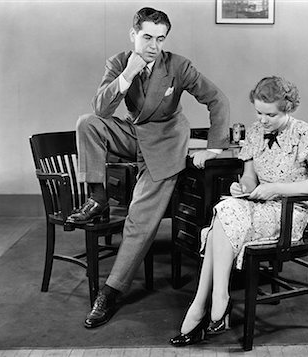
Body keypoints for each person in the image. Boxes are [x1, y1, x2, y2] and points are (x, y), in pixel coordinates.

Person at [67, 7, 230, 328]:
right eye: (146, 37)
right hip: (135, 133)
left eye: (160, 38)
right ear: (133, 35)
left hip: (167, 142)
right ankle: (97, 195)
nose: (153, 45)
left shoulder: (178, 66)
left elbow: (218, 99)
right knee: (87, 123)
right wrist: (127, 74)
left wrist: (214, 148)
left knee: (139, 221)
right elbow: (101, 108)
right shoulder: (118, 62)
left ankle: (111, 291)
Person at [169, 76, 308, 346]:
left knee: (221, 221)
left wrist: (277, 188)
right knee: (225, 208)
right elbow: (249, 179)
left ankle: (203, 305)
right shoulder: (256, 132)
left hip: (290, 213)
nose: (263, 120)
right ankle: (215, 301)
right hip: (260, 205)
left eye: (271, 114)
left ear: (288, 108)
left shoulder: (304, 133)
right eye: (259, 112)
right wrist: (240, 188)